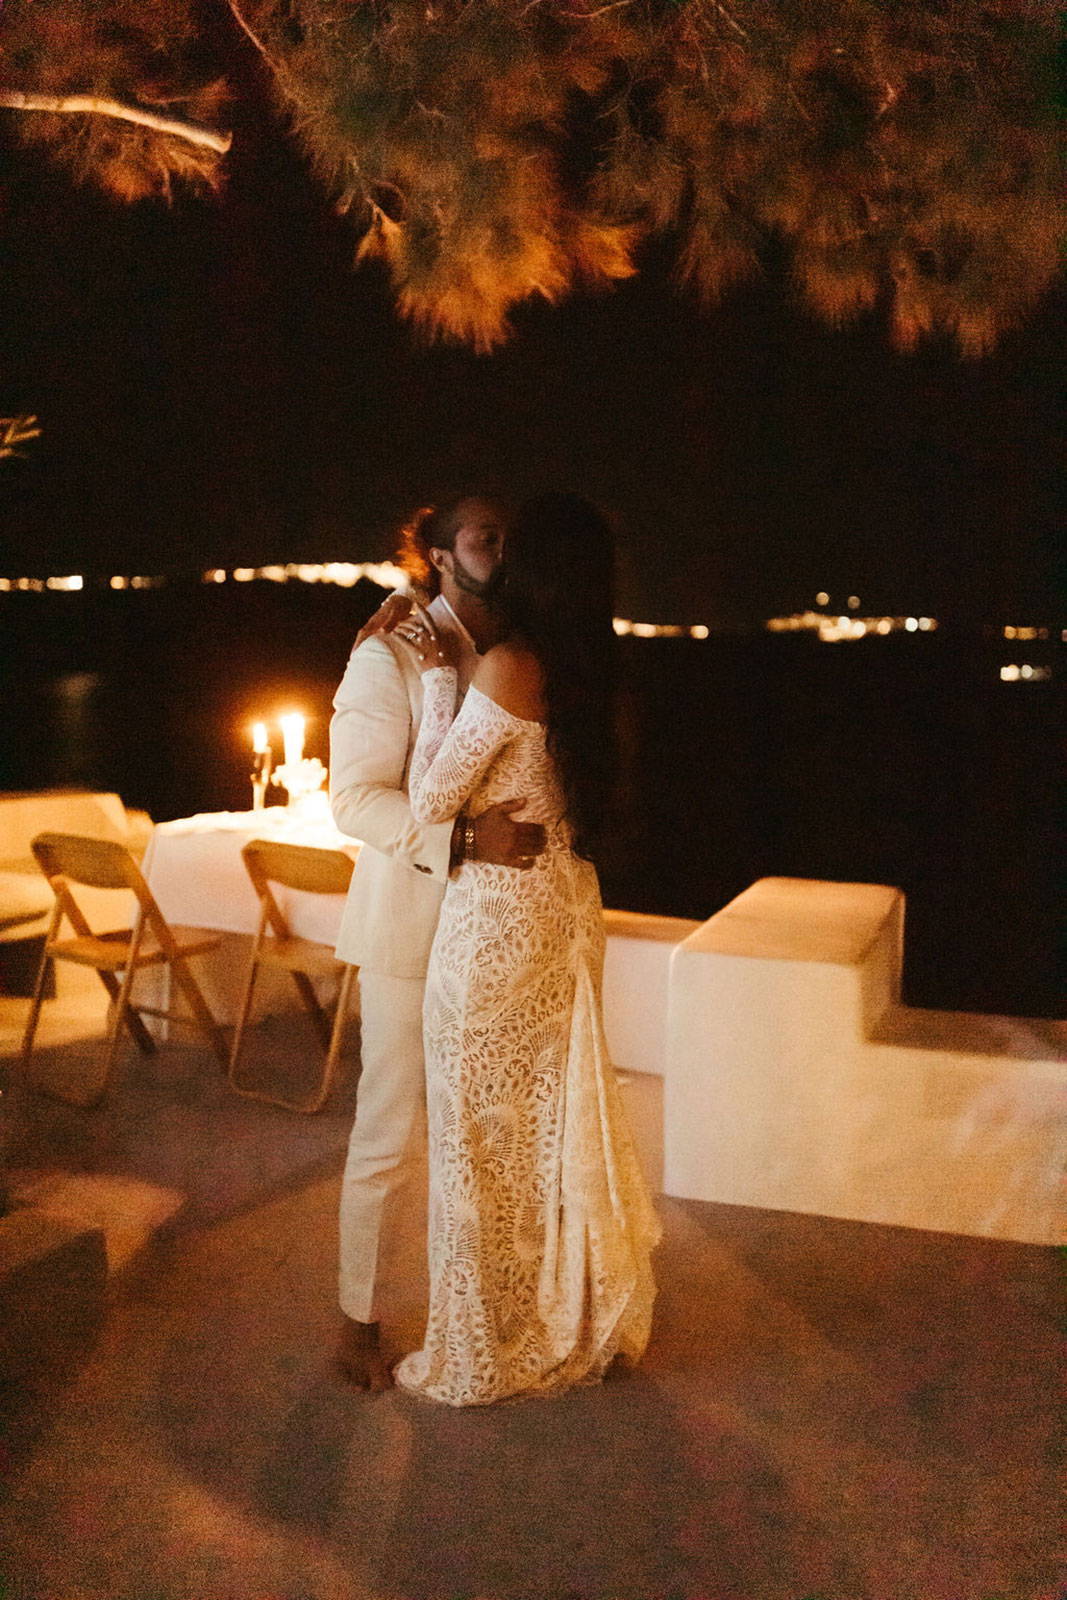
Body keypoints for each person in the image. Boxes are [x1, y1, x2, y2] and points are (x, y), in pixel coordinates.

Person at [390, 493, 660, 1406]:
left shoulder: (510, 665)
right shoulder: (598, 665)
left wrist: (434, 682)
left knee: (476, 1143)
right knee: (546, 1133)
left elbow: (428, 801)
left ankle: (486, 1346)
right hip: (563, 911)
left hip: (497, 924)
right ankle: (565, 1317)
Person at [329, 495, 547, 1390]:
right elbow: (353, 800)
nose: (502, 549)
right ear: (438, 554)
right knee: (388, 1129)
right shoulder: (388, 650)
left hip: (505, 929)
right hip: (414, 924)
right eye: (484, 536)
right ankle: (356, 1318)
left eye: (509, 534)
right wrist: (459, 841)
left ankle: (497, 1301)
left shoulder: (535, 641)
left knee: (497, 1128)